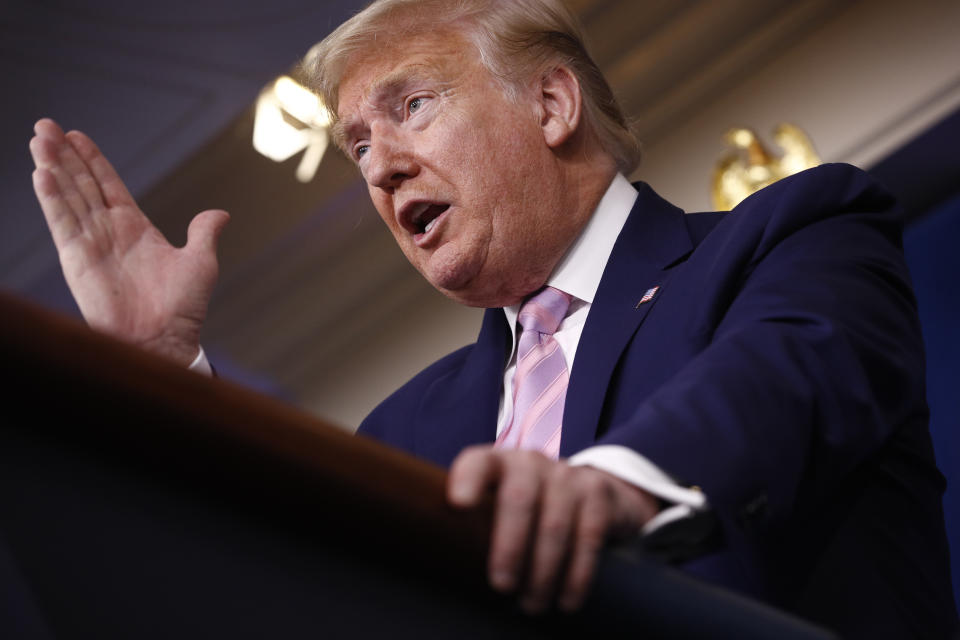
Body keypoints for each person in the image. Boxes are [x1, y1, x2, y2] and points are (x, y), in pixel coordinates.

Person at [28, 0, 956, 636]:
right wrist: (159, 371)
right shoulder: (401, 433)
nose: (380, 167)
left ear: (553, 103)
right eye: (357, 146)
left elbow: (783, 383)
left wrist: (612, 490)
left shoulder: (792, 236)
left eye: (413, 108)